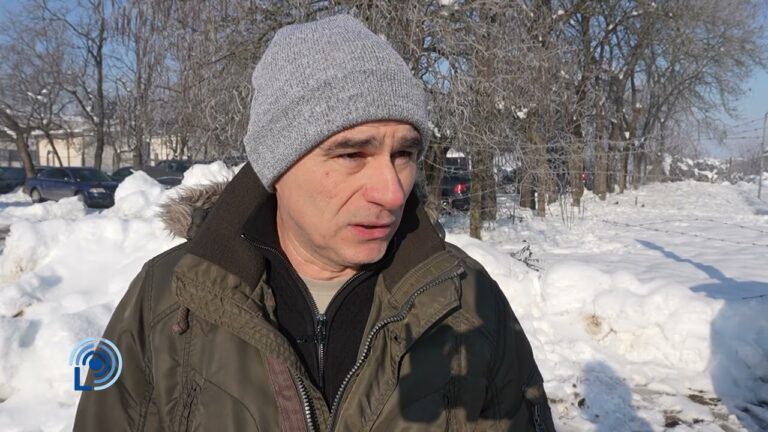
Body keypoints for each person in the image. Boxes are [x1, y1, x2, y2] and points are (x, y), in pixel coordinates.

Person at [73, 14, 555, 432]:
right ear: (277, 167)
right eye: (351, 154)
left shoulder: (466, 298)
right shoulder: (169, 298)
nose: (392, 192)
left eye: (404, 154)